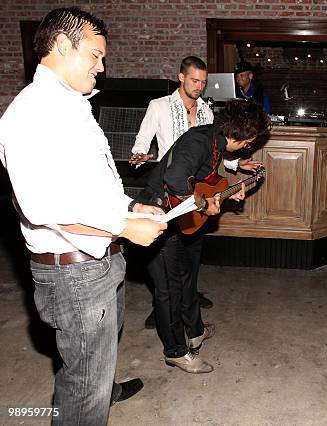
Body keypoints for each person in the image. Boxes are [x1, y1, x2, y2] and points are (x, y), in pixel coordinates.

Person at [0, 7, 167, 423]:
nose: (102, 66)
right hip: (75, 273)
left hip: (100, 260)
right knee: (83, 383)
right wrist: (125, 226)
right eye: (94, 55)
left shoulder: (71, 104)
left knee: (91, 365)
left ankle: (100, 388)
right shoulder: (33, 112)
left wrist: (129, 207)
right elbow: (43, 206)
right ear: (61, 45)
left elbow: (86, 186)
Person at [137, 98, 271, 373]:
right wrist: (203, 203)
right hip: (162, 216)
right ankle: (175, 351)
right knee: (169, 289)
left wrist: (231, 189)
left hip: (187, 219)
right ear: (241, 135)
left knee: (188, 277)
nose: (250, 145)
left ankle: (194, 330)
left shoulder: (215, 142)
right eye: (251, 139)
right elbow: (175, 179)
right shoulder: (199, 142)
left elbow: (208, 178)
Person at [130, 56, 262, 325]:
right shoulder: (159, 106)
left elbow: (215, 154)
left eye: (204, 81)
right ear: (181, 77)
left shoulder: (207, 111)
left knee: (191, 253)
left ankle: (188, 299)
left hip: (196, 192)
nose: (199, 86)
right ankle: (164, 309)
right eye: (194, 80)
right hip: (169, 190)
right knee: (165, 263)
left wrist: (236, 164)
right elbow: (143, 145)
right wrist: (142, 155)